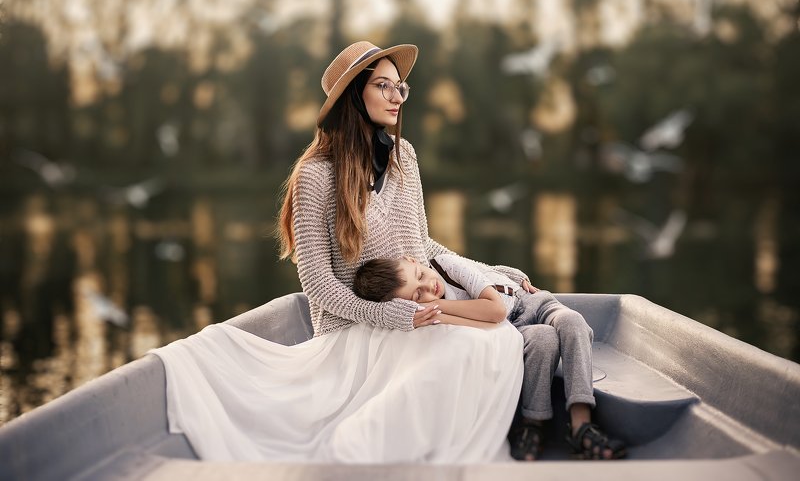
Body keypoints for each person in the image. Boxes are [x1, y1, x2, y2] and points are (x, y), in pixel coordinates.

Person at [152, 41, 529, 463]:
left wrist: (490, 272)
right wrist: (390, 316)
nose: (397, 97)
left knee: (494, 340)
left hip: (417, 319)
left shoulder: (405, 156)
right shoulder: (314, 175)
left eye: (401, 87)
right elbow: (317, 284)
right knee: (468, 348)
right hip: (355, 332)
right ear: (354, 95)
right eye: (383, 86)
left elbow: (423, 245)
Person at [353, 254, 628, 460]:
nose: (429, 287)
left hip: (527, 300)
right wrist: (436, 313)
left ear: (413, 260)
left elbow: (495, 310)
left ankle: (581, 423)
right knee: (543, 340)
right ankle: (533, 424)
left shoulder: (446, 265)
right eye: (418, 294)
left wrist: (436, 304)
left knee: (572, 321)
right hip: (512, 327)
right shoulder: (426, 315)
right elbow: (493, 325)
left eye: (421, 275)